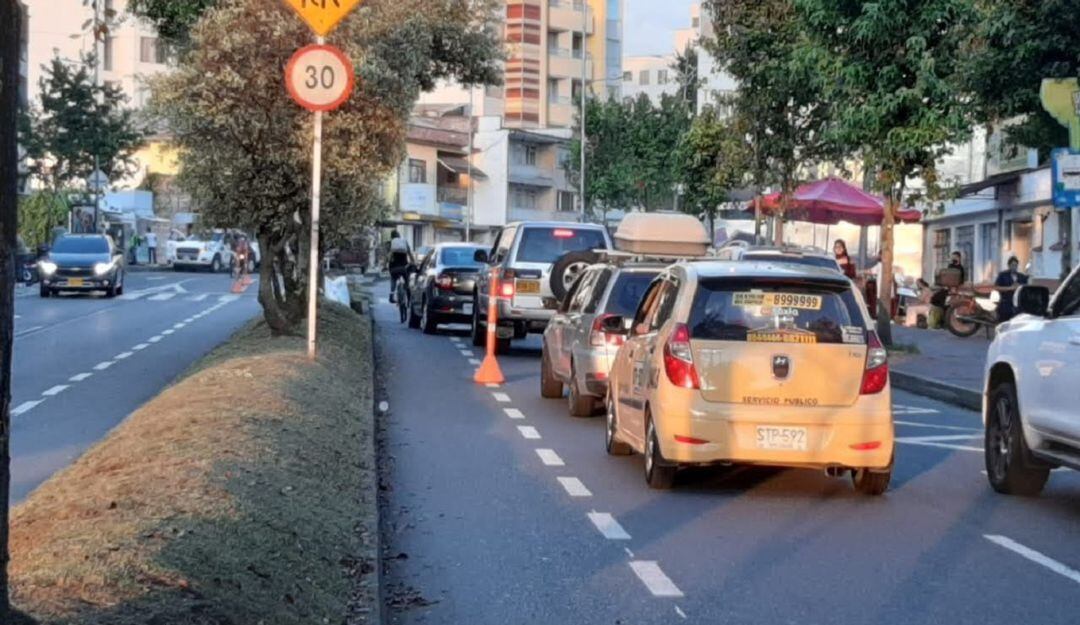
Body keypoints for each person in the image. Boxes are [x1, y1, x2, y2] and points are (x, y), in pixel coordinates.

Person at [994, 256, 1028, 322]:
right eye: (1012, 265)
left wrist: (1020, 286)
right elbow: (996, 287)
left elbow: (1026, 287)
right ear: (1009, 265)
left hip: (1017, 305)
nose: (1014, 267)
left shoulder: (1021, 276)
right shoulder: (1002, 275)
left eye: (1015, 265)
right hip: (1005, 304)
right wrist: (1009, 288)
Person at [387, 231, 413, 303]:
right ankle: (409, 296)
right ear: (399, 236)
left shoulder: (391, 243)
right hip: (404, 267)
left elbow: (388, 257)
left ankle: (391, 297)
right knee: (407, 281)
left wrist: (385, 265)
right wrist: (413, 262)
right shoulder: (404, 242)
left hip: (394, 268)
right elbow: (410, 254)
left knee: (393, 280)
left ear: (392, 237)